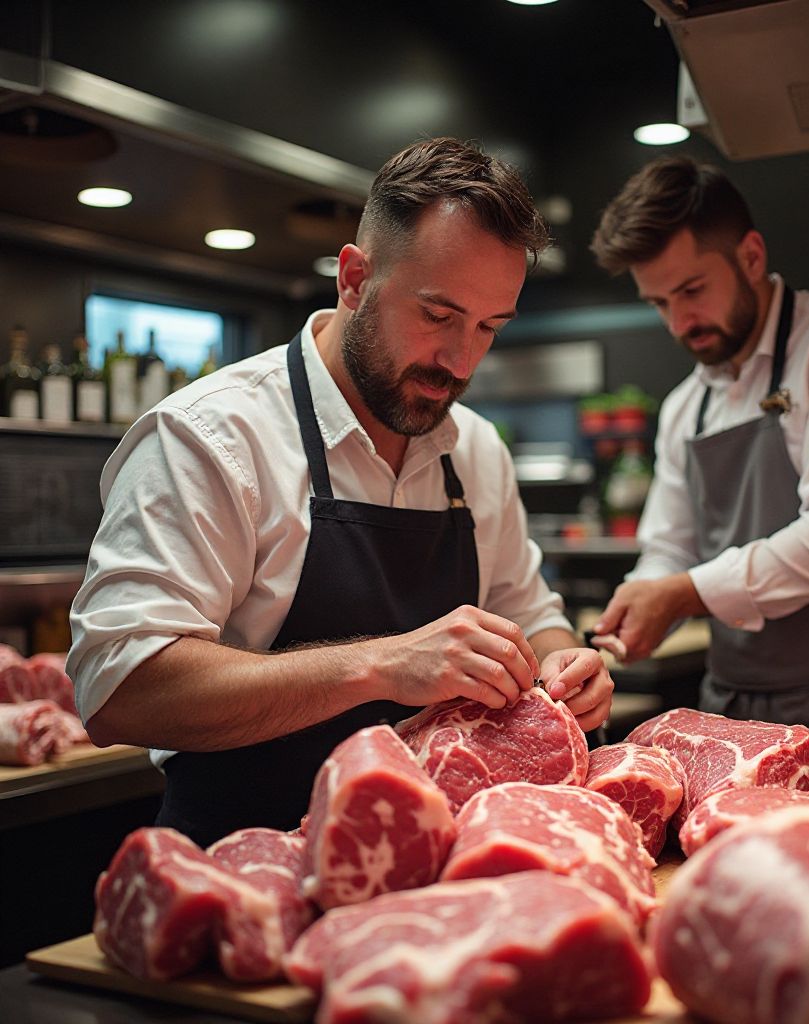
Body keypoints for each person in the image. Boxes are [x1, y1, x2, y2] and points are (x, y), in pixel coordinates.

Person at [69, 137, 613, 847]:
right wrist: (380, 665)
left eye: (488, 327)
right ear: (354, 279)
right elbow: (121, 688)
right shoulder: (211, 436)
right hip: (250, 868)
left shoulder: (475, 448)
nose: (460, 362)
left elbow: (529, 613)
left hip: (425, 864)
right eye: (438, 315)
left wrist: (563, 663)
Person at [589, 155, 809, 775]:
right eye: (659, 303)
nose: (679, 322)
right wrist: (643, 600)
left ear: (751, 256)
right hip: (733, 720)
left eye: (692, 291)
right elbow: (670, 547)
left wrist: (682, 594)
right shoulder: (686, 405)